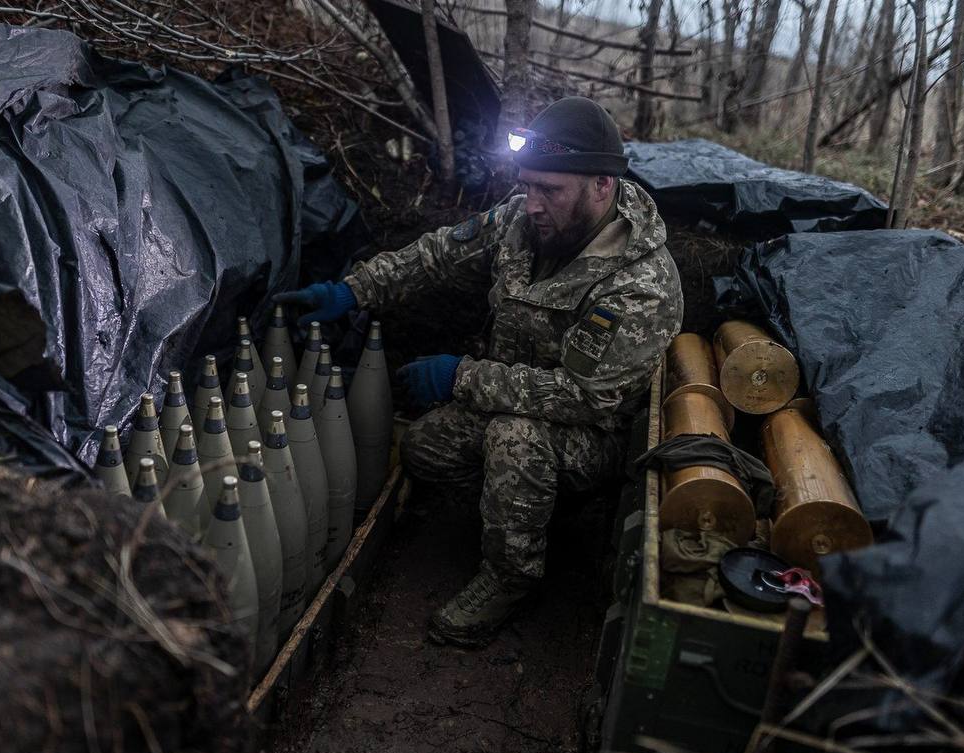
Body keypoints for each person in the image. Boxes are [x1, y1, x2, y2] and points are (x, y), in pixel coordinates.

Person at [276, 96, 682, 647]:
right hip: (508, 399)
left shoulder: (640, 285)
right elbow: (441, 254)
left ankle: (512, 578)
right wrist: (353, 289)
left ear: (601, 188)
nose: (532, 203)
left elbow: (589, 399)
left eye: (550, 190)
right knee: (423, 449)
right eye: (528, 184)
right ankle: (524, 512)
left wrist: (459, 377)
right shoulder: (525, 218)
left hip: (590, 437)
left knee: (515, 441)